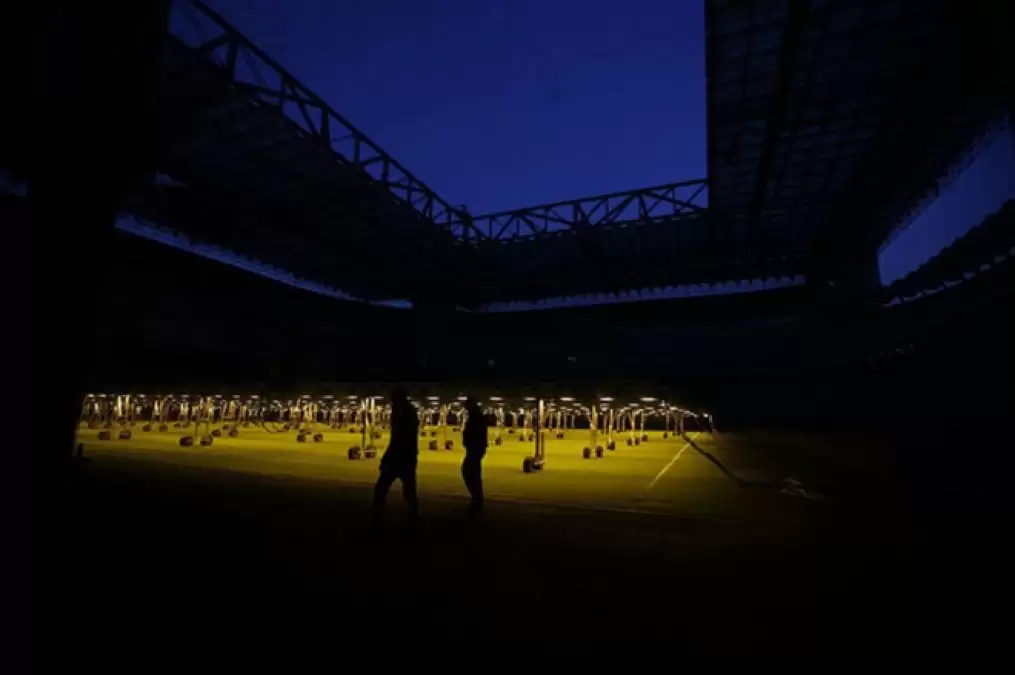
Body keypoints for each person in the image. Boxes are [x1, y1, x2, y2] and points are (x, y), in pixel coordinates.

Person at [373, 387, 420, 525]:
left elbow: (399, 438)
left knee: (382, 487)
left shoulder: (402, 411)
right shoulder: (408, 411)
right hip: (405, 457)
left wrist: (389, 456)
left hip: (399, 456)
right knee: (408, 490)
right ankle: (413, 515)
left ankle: (378, 515)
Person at [461, 397, 489, 513]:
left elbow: (477, 433)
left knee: (470, 473)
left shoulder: (476, 417)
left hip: (474, 448)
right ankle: (476, 498)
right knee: (472, 473)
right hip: (474, 448)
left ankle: (477, 499)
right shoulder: (475, 416)